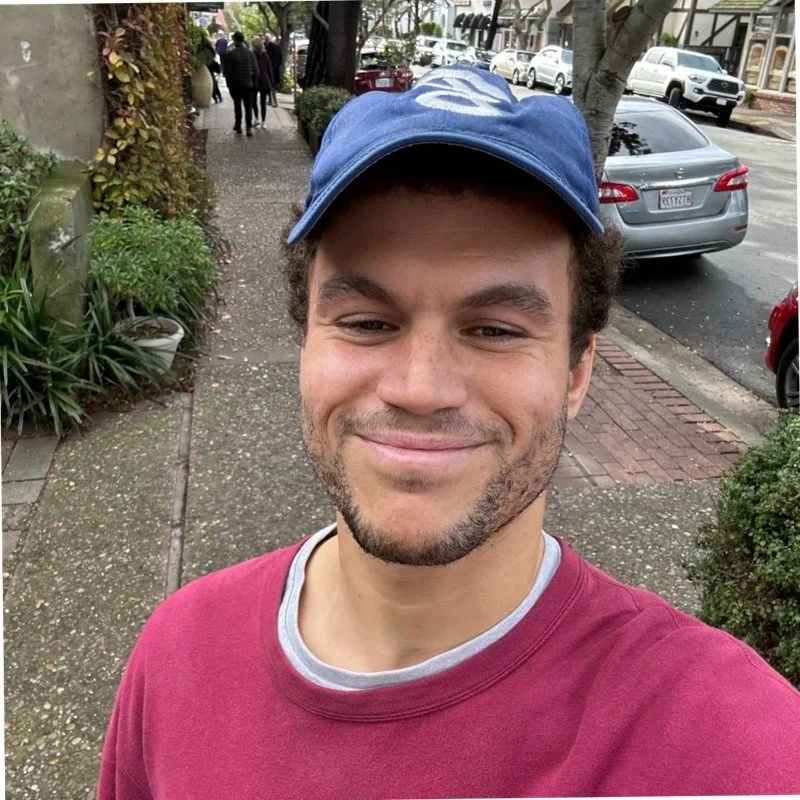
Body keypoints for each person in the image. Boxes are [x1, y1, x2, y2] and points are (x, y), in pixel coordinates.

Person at [97, 67, 800, 798]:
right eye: (368, 323)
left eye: (494, 330)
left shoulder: (731, 747)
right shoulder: (177, 657)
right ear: (306, 341)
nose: (420, 389)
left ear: (577, 370)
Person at [221, 31, 259, 137]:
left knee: (237, 106)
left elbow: (227, 73)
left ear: (235, 40)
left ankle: (238, 125)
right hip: (248, 85)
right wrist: (254, 84)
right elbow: (256, 71)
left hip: (236, 85)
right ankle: (248, 128)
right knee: (248, 107)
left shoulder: (231, 54)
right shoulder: (250, 53)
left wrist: (229, 86)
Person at [250, 35, 275, 128]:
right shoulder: (265, 55)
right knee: (263, 102)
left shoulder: (251, 55)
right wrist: (272, 83)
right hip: (264, 80)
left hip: (254, 80)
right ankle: (263, 122)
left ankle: (256, 119)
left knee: (253, 101)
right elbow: (269, 70)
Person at [265, 33, 282, 106]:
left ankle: (271, 100)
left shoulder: (266, 48)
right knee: (273, 85)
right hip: (276, 68)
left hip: (269, 69)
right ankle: (273, 100)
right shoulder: (277, 47)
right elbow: (281, 58)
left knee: (269, 85)